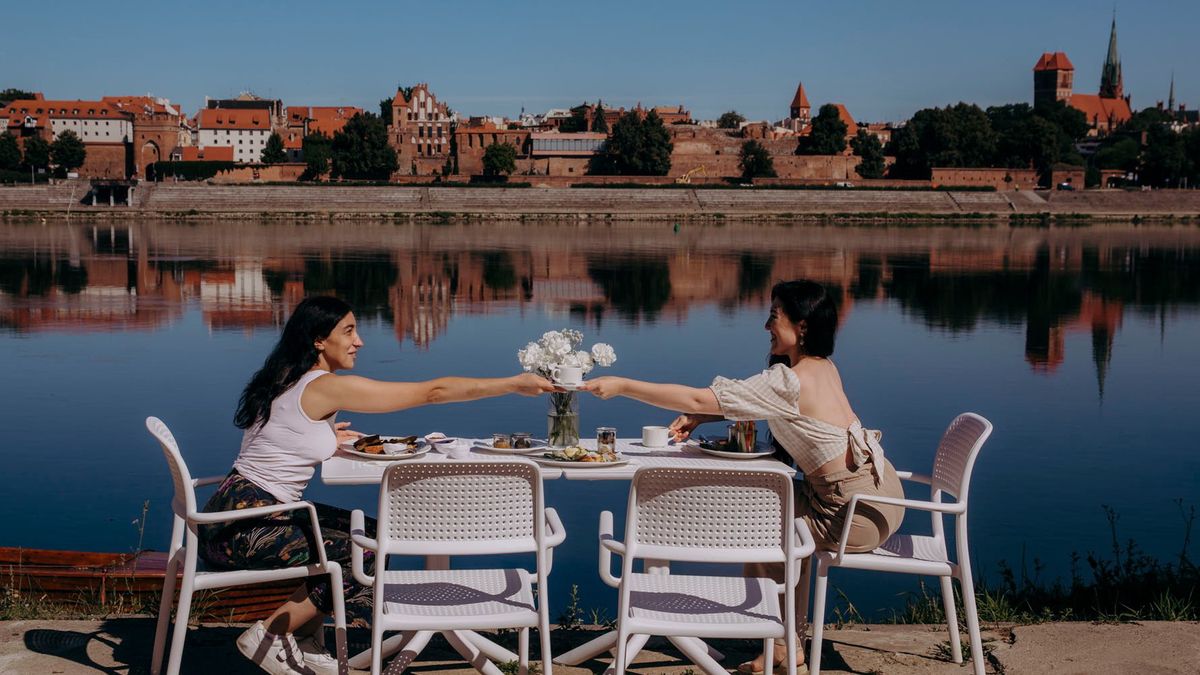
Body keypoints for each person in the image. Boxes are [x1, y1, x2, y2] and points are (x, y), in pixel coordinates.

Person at [199, 296, 554, 675]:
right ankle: (271, 634)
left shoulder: (286, 377)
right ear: (319, 340)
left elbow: (282, 432)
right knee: (366, 554)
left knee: (371, 534)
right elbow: (431, 392)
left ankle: (303, 639)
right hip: (246, 526)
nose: (360, 341)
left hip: (232, 512)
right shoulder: (324, 388)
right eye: (348, 331)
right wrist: (513, 384)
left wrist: (324, 436)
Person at [581, 279, 904, 675]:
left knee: (765, 532)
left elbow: (702, 396)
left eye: (773, 317)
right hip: (881, 494)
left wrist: (623, 386)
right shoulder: (820, 367)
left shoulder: (791, 380)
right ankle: (785, 641)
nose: (766, 326)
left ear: (801, 325)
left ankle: (782, 643)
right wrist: (707, 416)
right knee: (768, 510)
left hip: (853, 514)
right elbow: (755, 404)